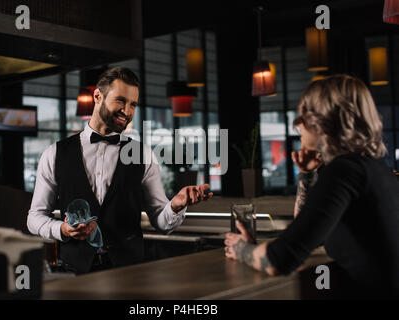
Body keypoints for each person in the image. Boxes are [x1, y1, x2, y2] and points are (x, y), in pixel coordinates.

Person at [225, 74, 399, 298]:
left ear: (322, 121)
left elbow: (280, 260)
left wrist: (240, 249)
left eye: (303, 115)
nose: (298, 124)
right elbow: (308, 231)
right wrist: (307, 175)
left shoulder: (344, 171)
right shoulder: (375, 169)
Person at [27, 67, 212, 274]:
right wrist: (61, 229)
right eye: (121, 101)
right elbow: (35, 217)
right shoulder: (54, 153)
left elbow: (161, 221)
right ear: (97, 96)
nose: (128, 111)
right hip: (74, 274)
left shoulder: (143, 154)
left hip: (129, 272)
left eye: (133, 104)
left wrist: (176, 206)